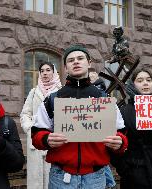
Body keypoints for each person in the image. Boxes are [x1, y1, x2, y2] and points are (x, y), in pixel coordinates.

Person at [31, 45, 128, 189]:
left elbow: (121, 132)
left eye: (80, 58)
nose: (76, 62)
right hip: (61, 176)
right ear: (65, 67)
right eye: (71, 60)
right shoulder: (52, 99)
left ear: (89, 63)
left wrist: (120, 143)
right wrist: (46, 139)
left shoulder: (103, 98)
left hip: (96, 176)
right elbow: (36, 134)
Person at [20, 61, 62, 189]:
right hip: (35, 142)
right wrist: (30, 129)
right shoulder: (33, 92)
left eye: (48, 70)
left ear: (54, 72)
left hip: (55, 141)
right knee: (36, 180)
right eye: (42, 71)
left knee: (54, 178)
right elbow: (25, 114)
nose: (45, 73)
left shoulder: (61, 91)